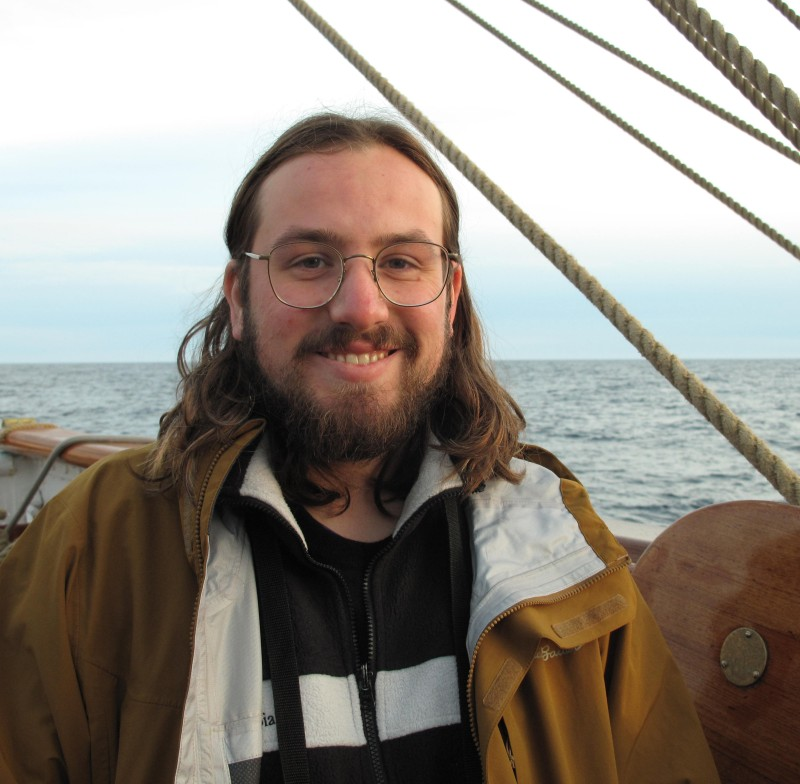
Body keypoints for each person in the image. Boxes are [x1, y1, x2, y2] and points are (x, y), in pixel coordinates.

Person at [0, 113, 719, 783]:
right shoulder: (96, 546)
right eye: (310, 260)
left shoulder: (560, 549)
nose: (360, 306)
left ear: (450, 295)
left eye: (401, 262)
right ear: (239, 298)